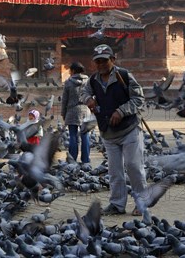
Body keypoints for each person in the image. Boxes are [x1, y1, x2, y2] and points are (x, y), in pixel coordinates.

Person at [80, 44, 147, 216]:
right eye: (98, 61)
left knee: (133, 166)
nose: (101, 64)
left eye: (104, 60)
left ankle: (141, 203)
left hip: (129, 128)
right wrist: (88, 99)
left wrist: (121, 111)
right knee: (114, 170)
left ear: (113, 60)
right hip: (108, 132)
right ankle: (117, 204)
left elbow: (139, 99)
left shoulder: (124, 75)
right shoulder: (93, 80)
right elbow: (82, 93)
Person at [61, 62, 90, 165]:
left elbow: (64, 99)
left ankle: (72, 159)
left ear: (73, 70)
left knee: (73, 136)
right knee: (85, 135)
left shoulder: (68, 82)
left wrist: (63, 113)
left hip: (72, 110)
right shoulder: (88, 81)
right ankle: (85, 160)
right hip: (86, 110)